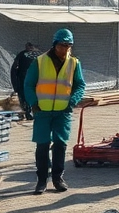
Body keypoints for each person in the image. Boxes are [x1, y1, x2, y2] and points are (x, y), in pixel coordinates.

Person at [24, 28, 85, 194]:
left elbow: (80, 85)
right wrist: (33, 103)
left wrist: (72, 101)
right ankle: (42, 180)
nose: (65, 49)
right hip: (42, 111)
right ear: (55, 44)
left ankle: (58, 178)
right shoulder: (40, 62)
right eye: (62, 45)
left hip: (63, 111)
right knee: (42, 145)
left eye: (68, 46)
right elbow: (28, 84)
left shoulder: (74, 63)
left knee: (60, 144)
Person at [9, 41, 39, 119]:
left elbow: (14, 69)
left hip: (24, 79)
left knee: (24, 96)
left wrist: (15, 85)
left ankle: (27, 112)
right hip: (37, 80)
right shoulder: (39, 55)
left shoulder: (21, 55)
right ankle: (34, 113)